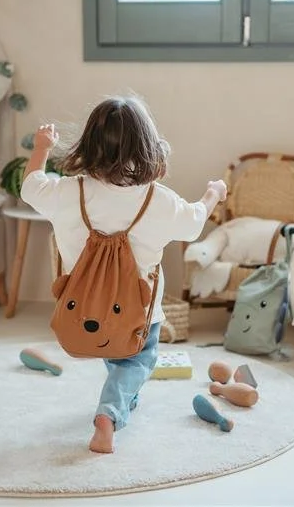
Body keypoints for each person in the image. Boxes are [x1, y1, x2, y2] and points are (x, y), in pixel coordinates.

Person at [20, 96, 227, 453]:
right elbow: (194, 222)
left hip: (83, 309)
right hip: (139, 313)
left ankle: (121, 400)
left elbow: (30, 186)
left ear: (89, 144)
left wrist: (42, 147)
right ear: (147, 146)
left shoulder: (69, 192)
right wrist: (213, 194)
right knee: (139, 358)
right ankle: (109, 415)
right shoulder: (157, 200)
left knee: (117, 354)